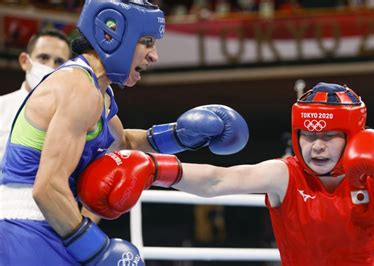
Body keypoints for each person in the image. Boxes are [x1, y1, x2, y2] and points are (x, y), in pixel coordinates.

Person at [79, 82, 374, 266]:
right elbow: (218, 179)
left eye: (329, 137)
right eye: (308, 136)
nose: (316, 147)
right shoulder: (285, 175)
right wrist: (157, 168)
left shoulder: (371, 177)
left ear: (351, 137)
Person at [0, 0, 248, 265]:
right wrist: (98, 251)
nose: (154, 56)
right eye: (147, 42)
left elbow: (124, 141)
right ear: (113, 38)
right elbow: (47, 188)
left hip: (53, 222)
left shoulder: (98, 90)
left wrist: (181, 135)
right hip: (29, 224)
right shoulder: (79, 89)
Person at [0, 28, 71, 165]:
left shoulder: (72, 119)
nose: (50, 66)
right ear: (24, 61)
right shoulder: (1, 107)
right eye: (43, 58)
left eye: (59, 62)